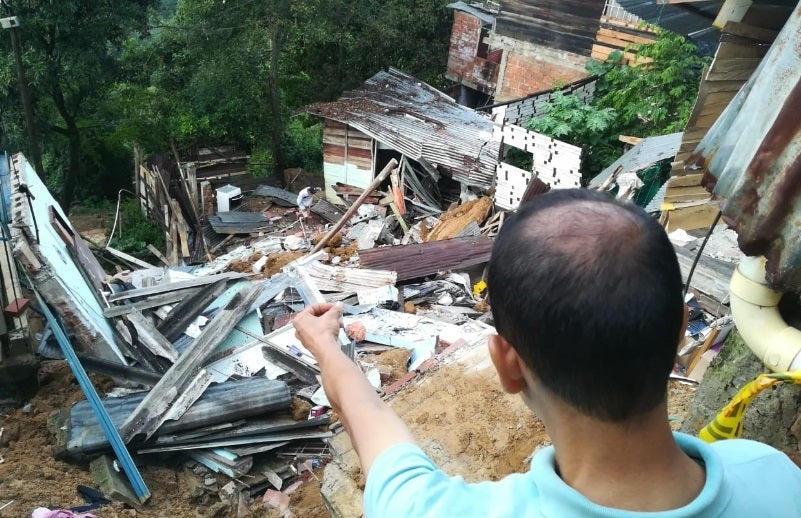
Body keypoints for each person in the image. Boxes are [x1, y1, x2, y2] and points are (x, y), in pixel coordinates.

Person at [293, 189, 801, 517]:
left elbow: (376, 430)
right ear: (678, 333)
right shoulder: (776, 478)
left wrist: (326, 347)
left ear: (507, 365)